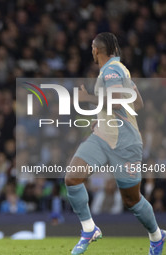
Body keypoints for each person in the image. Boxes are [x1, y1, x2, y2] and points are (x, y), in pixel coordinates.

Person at [65, 32, 165, 255]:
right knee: (73, 177)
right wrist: (101, 118)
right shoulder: (120, 70)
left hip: (125, 142)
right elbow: (137, 102)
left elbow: (119, 103)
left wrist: (87, 99)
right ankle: (89, 229)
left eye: (92, 48)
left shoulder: (111, 71)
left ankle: (157, 236)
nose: (91, 51)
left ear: (96, 49)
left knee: (132, 200)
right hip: (103, 137)